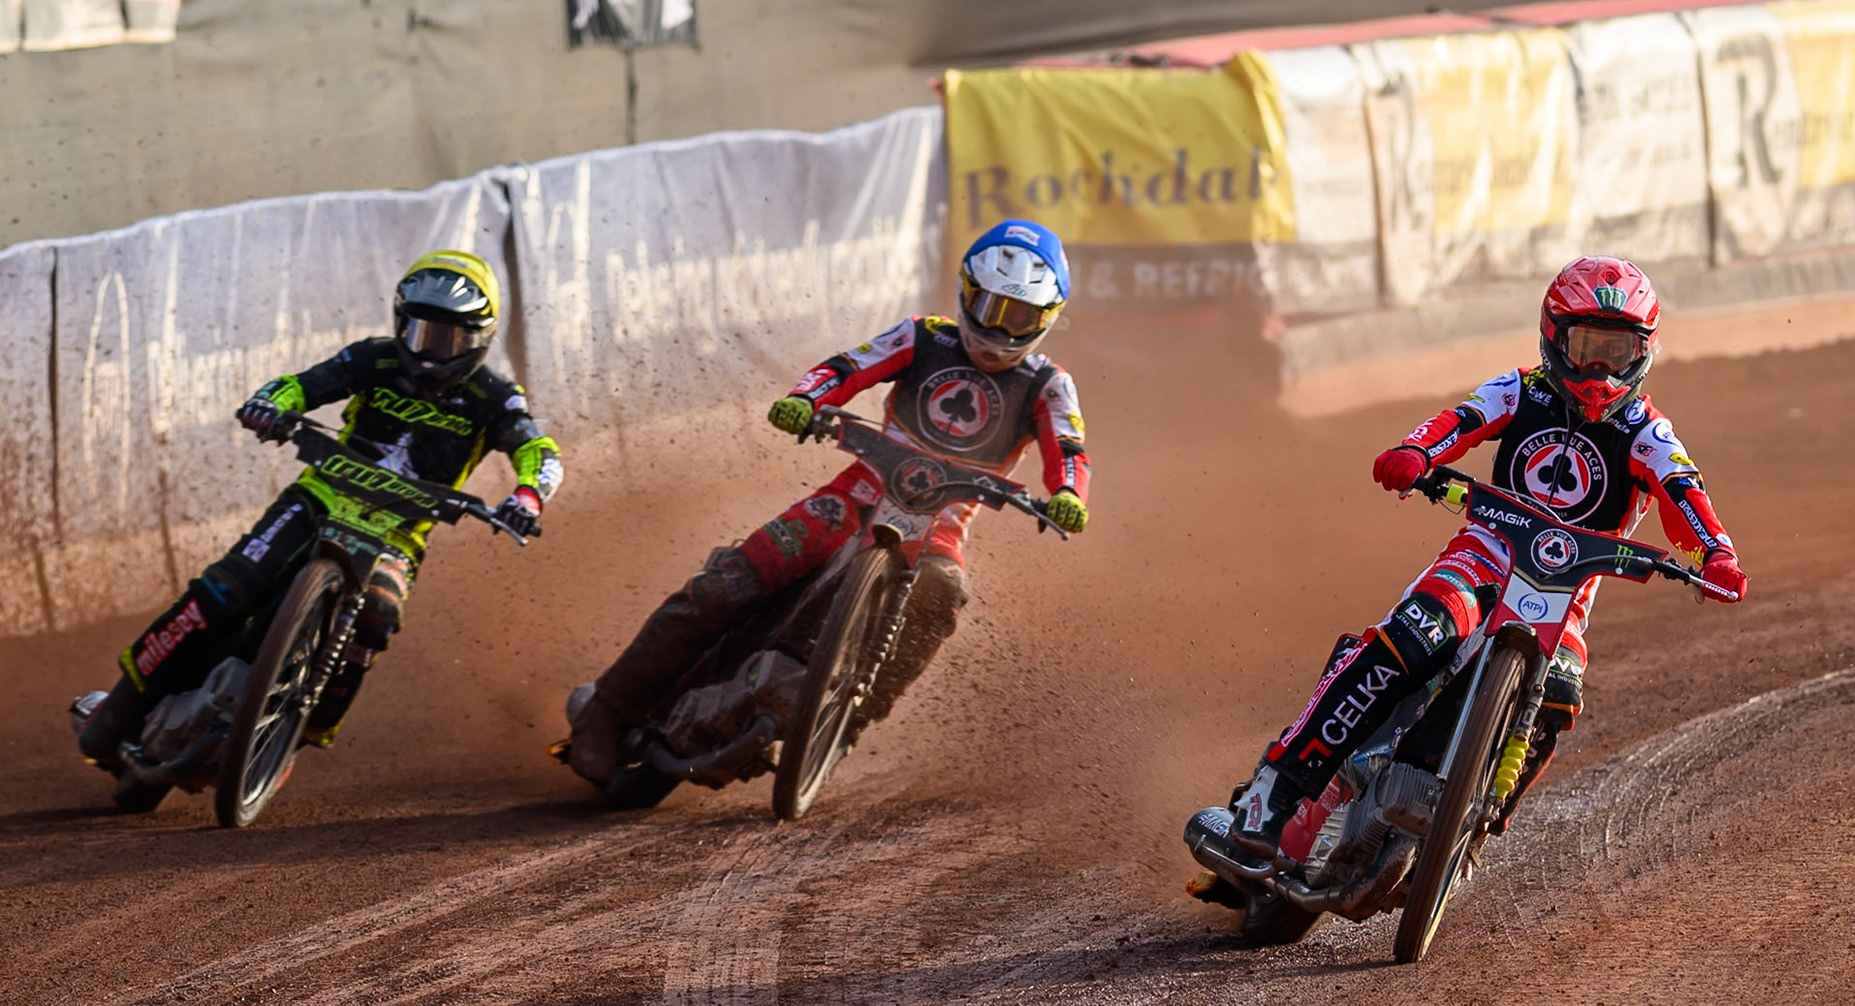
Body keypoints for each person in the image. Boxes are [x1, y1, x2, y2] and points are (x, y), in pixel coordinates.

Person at [1218, 255, 1747, 861]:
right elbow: (1462, 419)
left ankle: (1469, 829)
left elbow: (1684, 488)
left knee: (1558, 696)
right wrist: (1415, 452)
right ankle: (1279, 787)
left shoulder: (1647, 431)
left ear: (1643, 352)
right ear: (1554, 337)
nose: (1600, 367)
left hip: (1564, 597)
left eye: (1618, 350)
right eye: (1586, 345)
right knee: (1419, 634)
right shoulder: (1521, 389)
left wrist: (1717, 554)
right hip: (1484, 556)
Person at [564, 219, 1091, 787]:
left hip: (938, 529)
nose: (999, 328)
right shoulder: (923, 336)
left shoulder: (1049, 383)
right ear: (966, 293)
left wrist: (1067, 495)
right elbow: (847, 366)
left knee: (942, 596)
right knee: (730, 582)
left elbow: (1069, 447)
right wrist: (804, 398)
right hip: (852, 498)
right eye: (988, 306)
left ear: (1045, 319)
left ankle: (848, 725)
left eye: (1019, 317)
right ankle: (608, 710)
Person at [73, 250, 563, 767]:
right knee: (224, 591)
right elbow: (300, 385)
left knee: (376, 619)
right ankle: (121, 704)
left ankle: (298, 735)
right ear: (400, 324)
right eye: (421, 333)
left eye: (449, 339)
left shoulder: (495, 396)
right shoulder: (373, 358)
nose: (431, 353)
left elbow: (538, 450)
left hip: (397, 535)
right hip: (319, 500)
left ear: (480, 338)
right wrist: (271, 405)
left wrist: (527, 496)